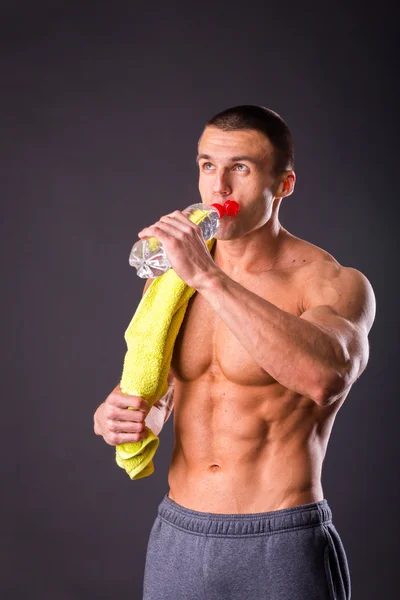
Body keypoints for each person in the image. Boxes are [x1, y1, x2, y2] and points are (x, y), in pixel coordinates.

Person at [93, 105, 375, 600]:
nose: (218, 188)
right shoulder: (173, 279)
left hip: (281, 539)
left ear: (283, 184)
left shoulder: (328, 282)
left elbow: (325, 376)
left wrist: (208, 275)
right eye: (207, 166)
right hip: (178, 536)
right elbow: (170, 384)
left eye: (239, 168)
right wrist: (133, 414)